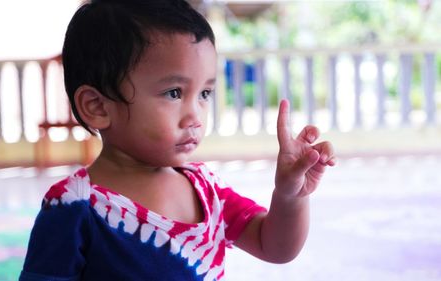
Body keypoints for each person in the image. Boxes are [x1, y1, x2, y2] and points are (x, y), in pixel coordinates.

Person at [19, 0, 335, 280]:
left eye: (205, 94)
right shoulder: (74, 206)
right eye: (174, 93)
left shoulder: (206, 189)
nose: (195, 115)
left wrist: (290, 195)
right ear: (98, 107)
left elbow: (275, 246)